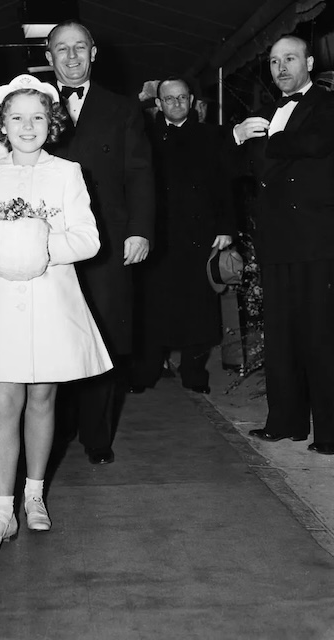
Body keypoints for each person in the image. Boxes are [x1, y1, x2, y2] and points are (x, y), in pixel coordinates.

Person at [0, 75, 113, 553]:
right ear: (1, 123)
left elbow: (88, 239)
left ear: (52, 121)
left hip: (50, 298)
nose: (28, 126)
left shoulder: (66, 173)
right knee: (3, 404)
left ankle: (34, 496)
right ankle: (1, 513)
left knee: (42, 399)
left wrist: (38, 245)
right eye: (17, 118)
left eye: (38, 117)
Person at [44, 21, 155, 465]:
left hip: (106, 242)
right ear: (49, 57)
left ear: (94, 53)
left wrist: (140, 229)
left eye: (79, 48)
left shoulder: (121, 108)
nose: (71, 57)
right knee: (51, 336)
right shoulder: (30, 105)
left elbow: (140, 173)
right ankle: (52, 432)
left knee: (104, 338)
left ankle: (97, 437)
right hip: (47, 243)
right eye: (61, 49)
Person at [233, 35, 334, 455]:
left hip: (317, 238)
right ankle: (284, 422)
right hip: (276, 240)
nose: (282, 68)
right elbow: (241, 172)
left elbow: (313, 143)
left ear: (309, 61)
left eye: (290, 58)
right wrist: (236, 138)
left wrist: (266, 136)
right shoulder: (265, 115)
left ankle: (330, 433)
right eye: (274, 62)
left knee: (322, 336)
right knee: (281, 336)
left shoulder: (327, 105)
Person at [131, 77, 236, 394]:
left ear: (191, 100)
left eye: (182, 97)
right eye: (169, 98)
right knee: (153, 305)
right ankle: (147, 371)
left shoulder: (210, 136)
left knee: (198, 308)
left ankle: (194, 373)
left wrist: (226, 227)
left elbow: (225, 184)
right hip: (158, 236)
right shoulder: (143, 138)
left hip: (199, 233)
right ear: (158, 103)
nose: (176, 103)